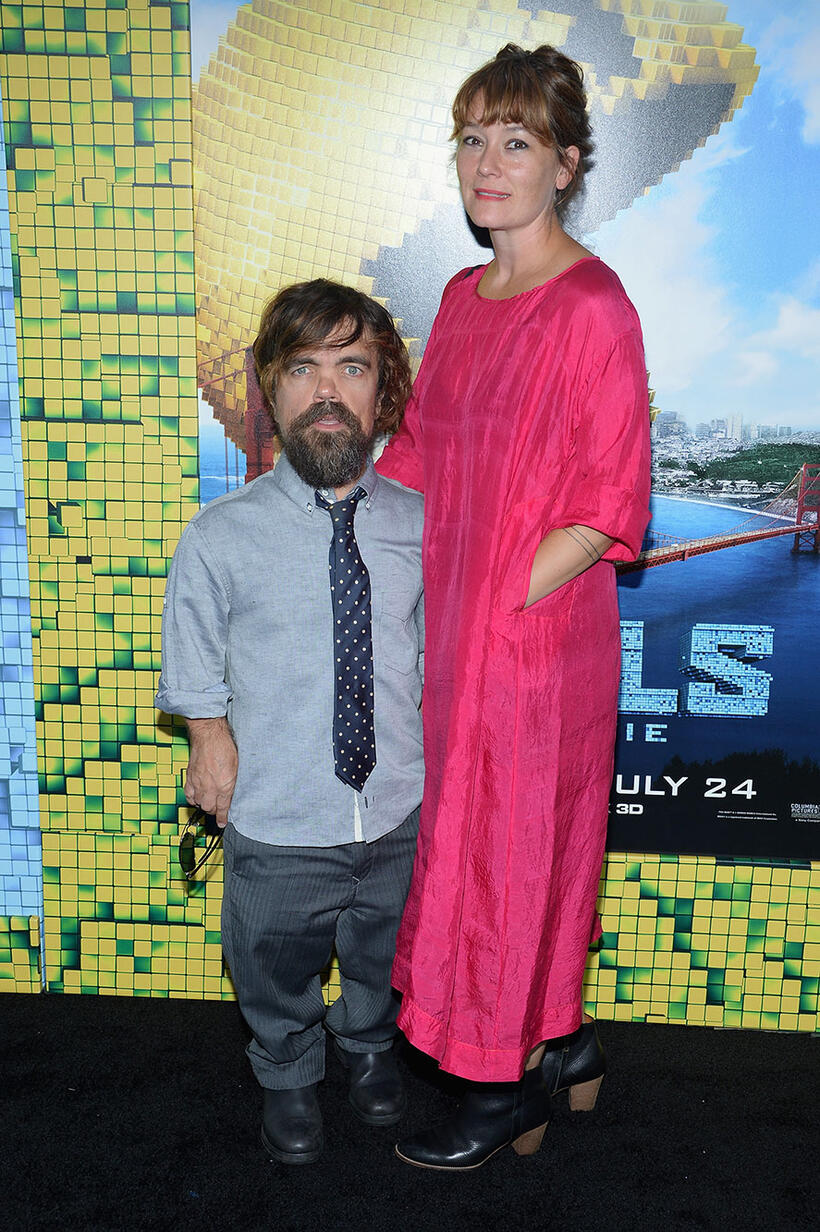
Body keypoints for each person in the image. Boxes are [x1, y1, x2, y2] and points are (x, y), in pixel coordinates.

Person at [375, 43, 652, 1170]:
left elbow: (606, 503)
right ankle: (568, 1042)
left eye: (517, 142)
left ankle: (499, 1086)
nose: (487, 164)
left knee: (515, 854)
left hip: (535, 652)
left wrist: (488, 607)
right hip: (458, 641)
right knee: (472, 847)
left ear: (568, 165)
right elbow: (425, 454)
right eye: (473, 140)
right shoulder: (457, 294)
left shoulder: (594, 307)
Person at [156, 280, 424, 1165]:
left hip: (396, 805)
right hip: (276, 811)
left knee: (385, 955)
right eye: (303, 367)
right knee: (270, 963)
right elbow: (193, 655)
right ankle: (288, 1071)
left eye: (352, 366)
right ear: (269, 385)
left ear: (381, 387)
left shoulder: (423, 527)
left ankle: (370, 1047)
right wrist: (207, 738)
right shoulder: (220, 535)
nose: (326, 390)